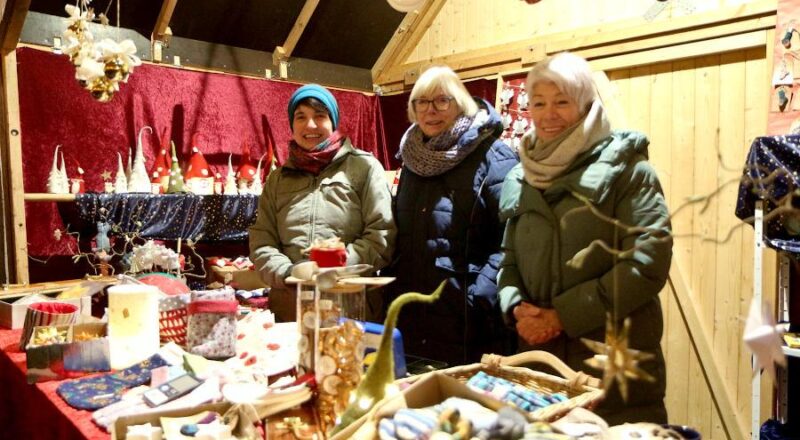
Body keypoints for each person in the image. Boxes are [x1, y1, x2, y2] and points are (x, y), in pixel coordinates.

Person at [497, 52, 672, 425]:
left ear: (586, 105)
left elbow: (647, 262)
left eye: (562, 101)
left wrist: (562, 315)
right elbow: (508, 259)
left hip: (611, 361)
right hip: (539, 363)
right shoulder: (521, 175)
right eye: (539, 103)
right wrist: (516, 309)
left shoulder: (630, 171)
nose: (548, 114)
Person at [382, 66, 519, 367]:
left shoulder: (494, 157)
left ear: (461, 103)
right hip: (413, 314)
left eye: (442, 100)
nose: (431, 111)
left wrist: (478, 298)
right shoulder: (412, 158)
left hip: (468, 321)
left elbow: (513, 238)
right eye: (422, 102)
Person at [249, 84, 396, 321]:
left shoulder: (364, 168)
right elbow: (262, 239)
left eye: (320, 116)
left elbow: (381, 235)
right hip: (290, 309)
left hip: (350, 305)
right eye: (301, 117)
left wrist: (334, 267)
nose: (310, 125)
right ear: (291, 124)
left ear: (333, 121)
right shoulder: (278, 179)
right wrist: (289, 273)